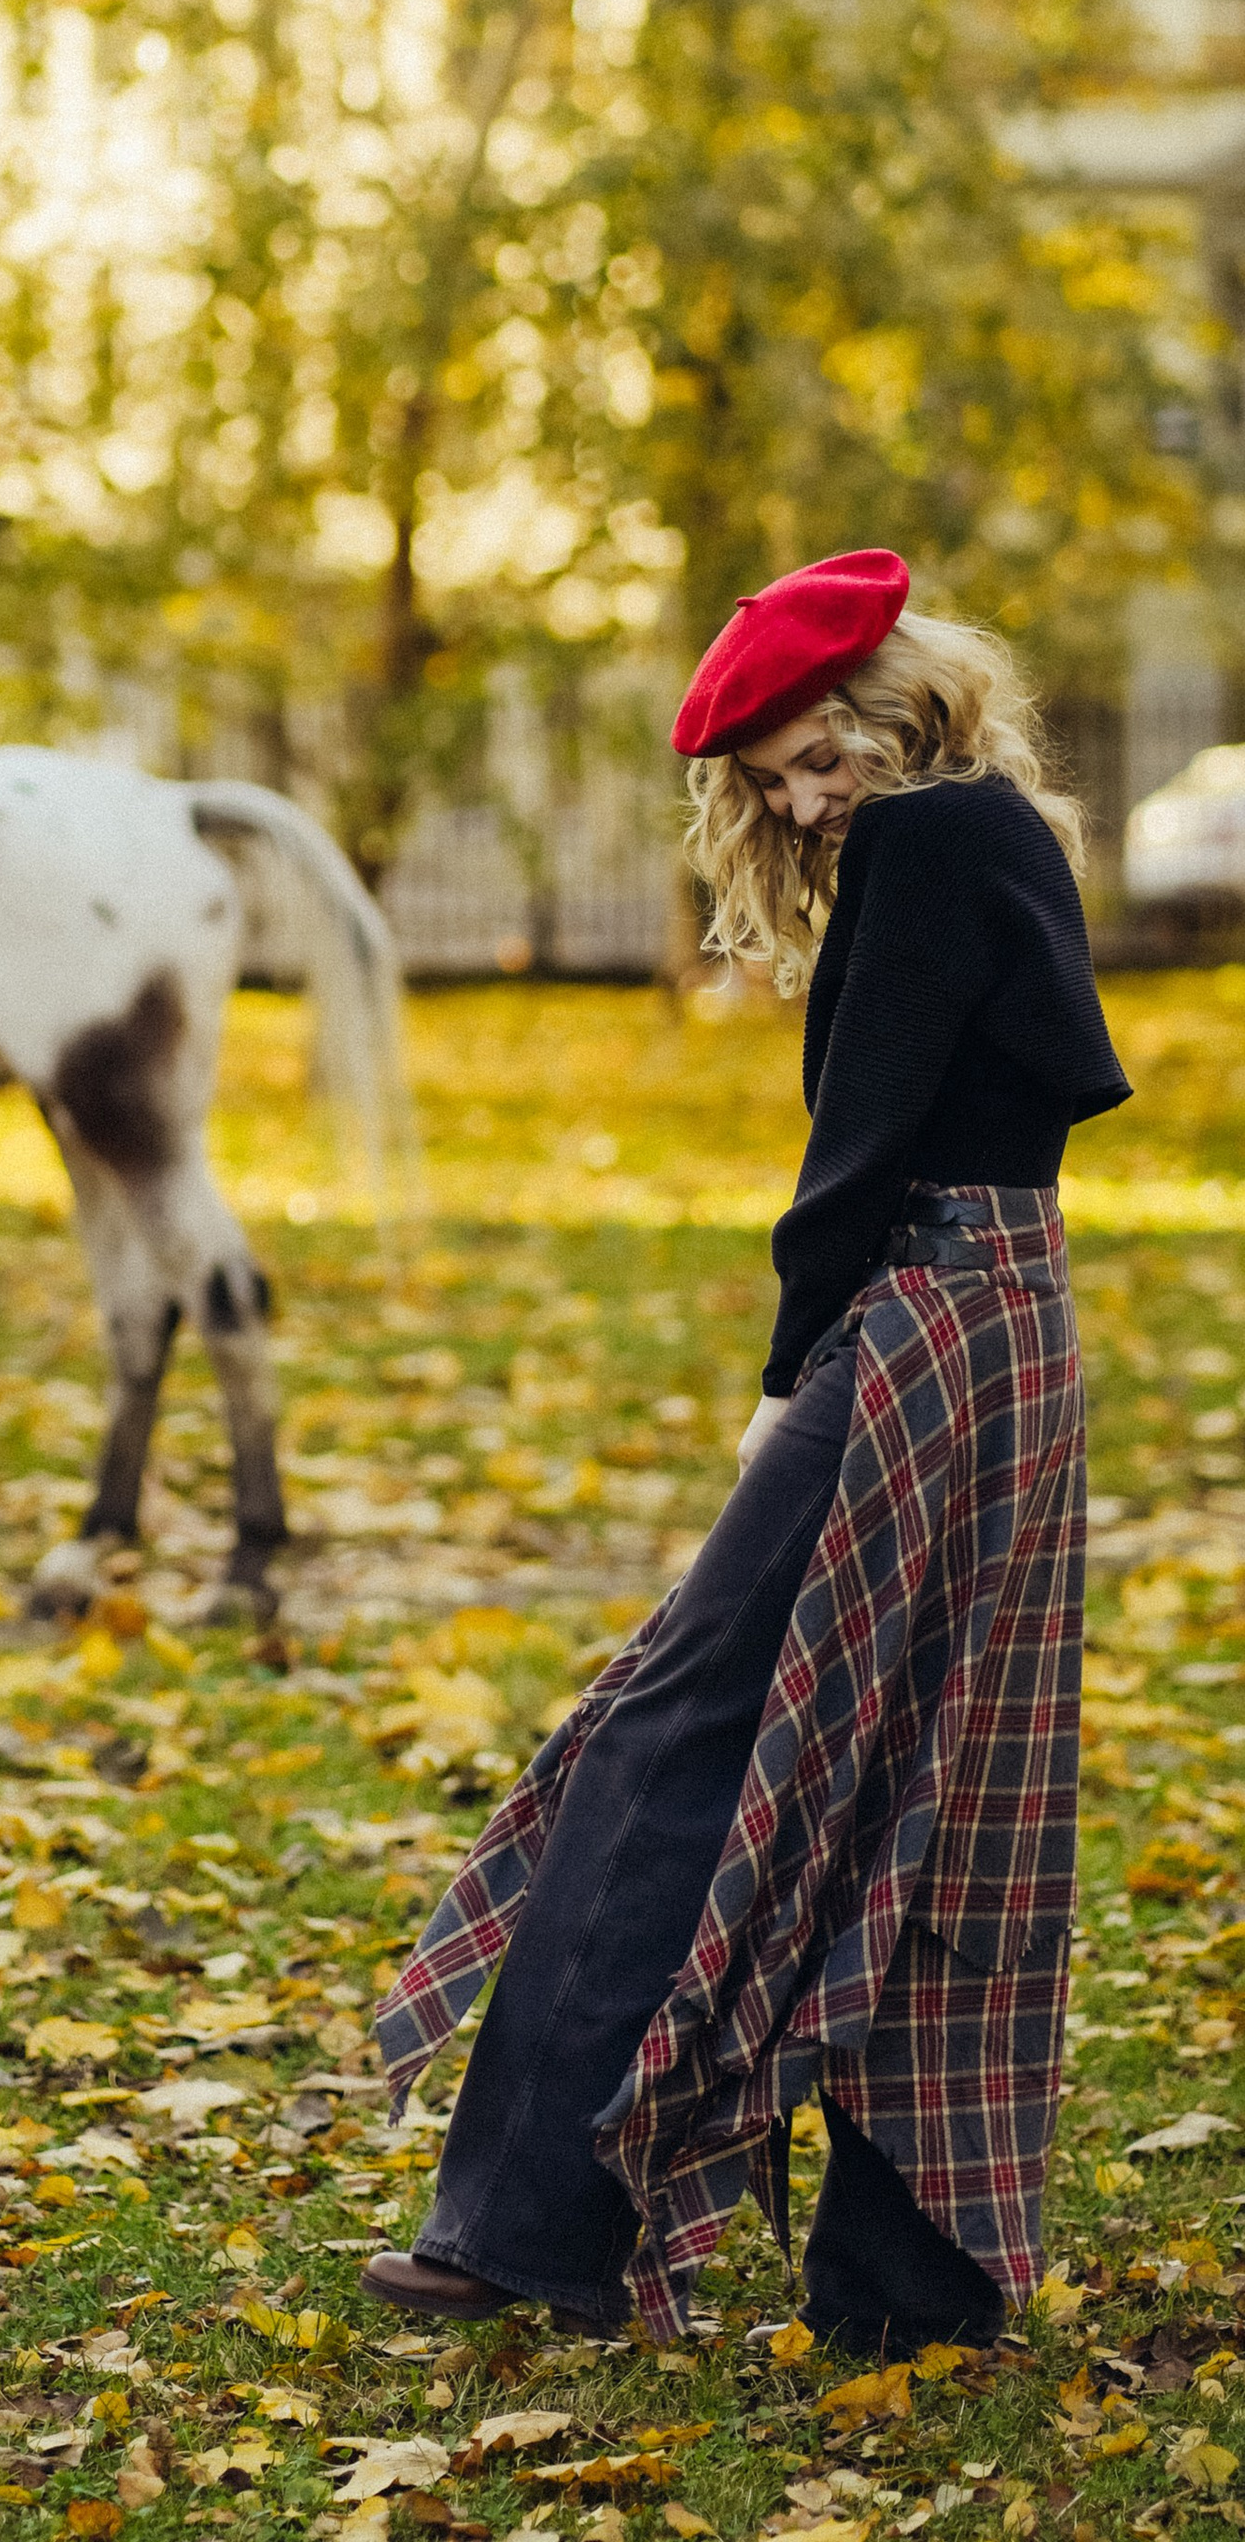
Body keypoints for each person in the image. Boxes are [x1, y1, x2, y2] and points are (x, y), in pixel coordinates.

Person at [361, 549, 1129, 2351]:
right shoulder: (1001, 826)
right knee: (948, 1762)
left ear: (889, 704)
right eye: (774, 782)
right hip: (1016, 1325)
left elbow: (860, 1148)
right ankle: (910, 2285)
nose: (802, 798)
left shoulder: (933, 840)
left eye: (815, 755)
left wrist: (793, 1371)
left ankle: (538, 2227)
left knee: (678, 1723)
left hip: (922, 1313)